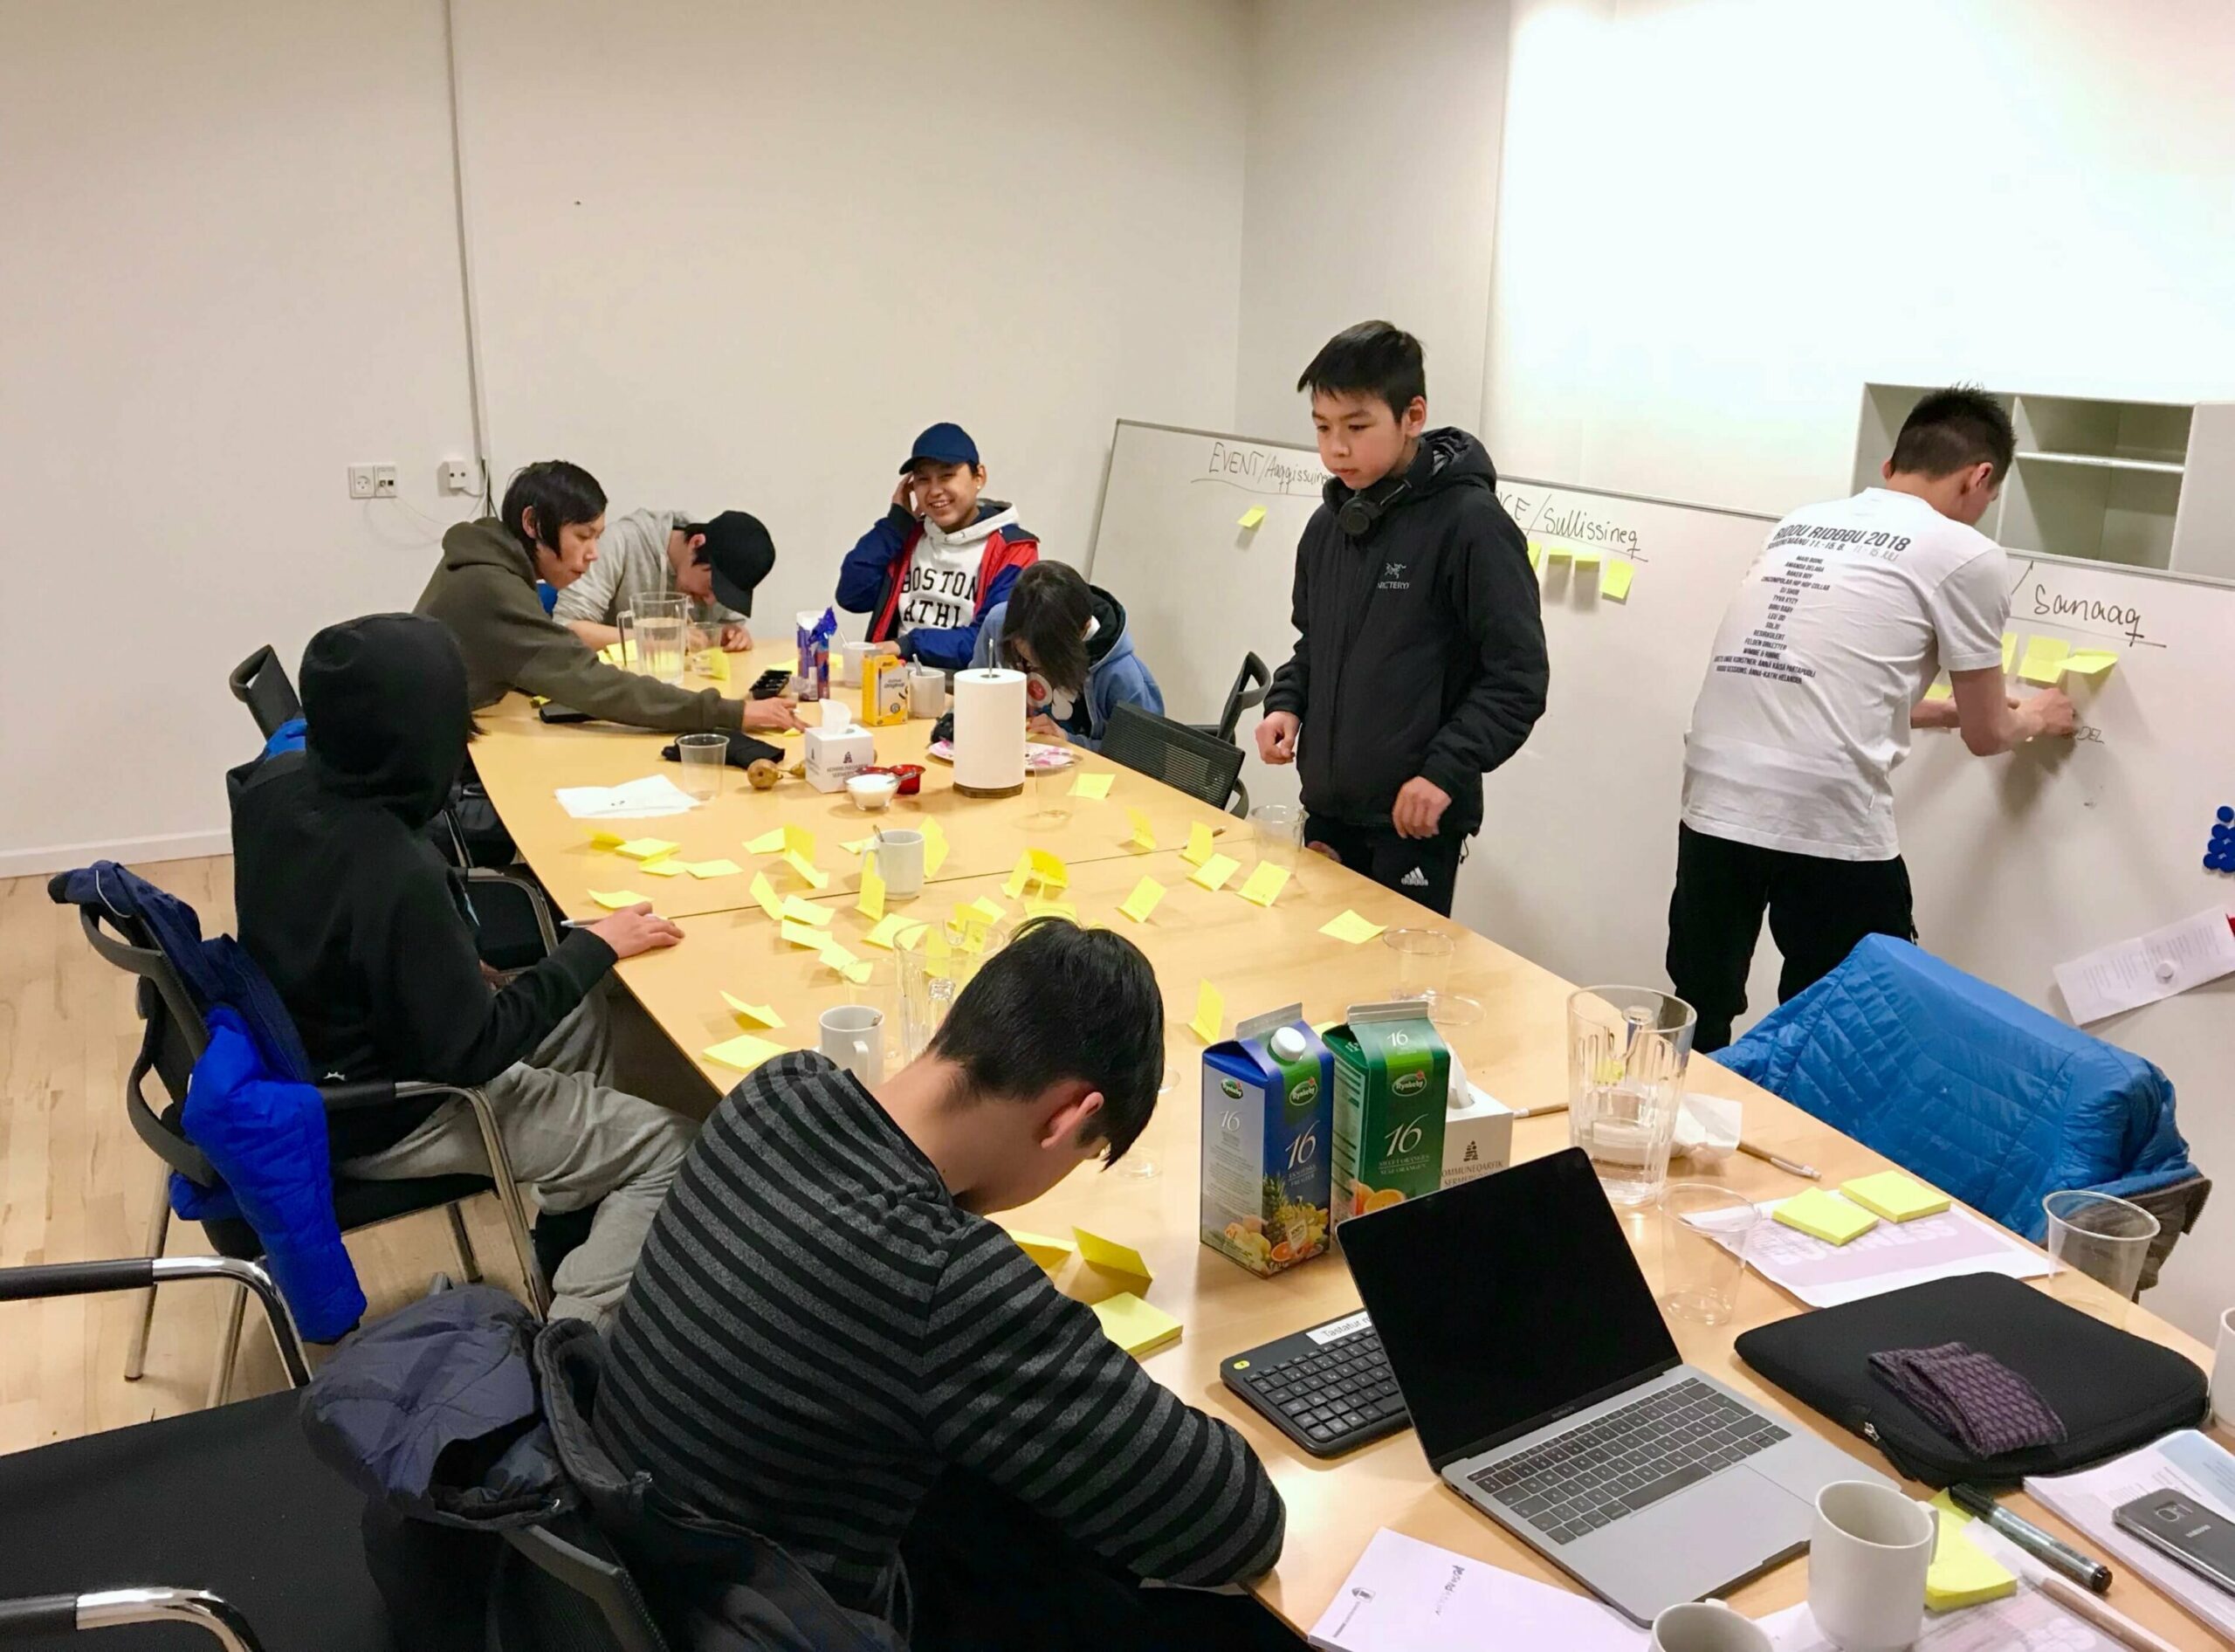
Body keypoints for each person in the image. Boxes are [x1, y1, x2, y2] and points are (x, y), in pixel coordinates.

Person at [595, 919, 1290, 1650]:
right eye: (1087, 1156)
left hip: (656, 1560)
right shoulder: (940, 1278)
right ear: (1069, 1118)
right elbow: (1237, 1522)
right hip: (784, 1621)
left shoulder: (776, 1090)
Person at [230, 613, 696, 1326]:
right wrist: (593, 946)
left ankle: (568, 1223)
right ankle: (577, 1333)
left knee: (585, 1012)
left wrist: (470, 965)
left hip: (322, 1046)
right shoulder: (396, 868)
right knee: (675, 1145)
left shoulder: (274, 786)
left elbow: (343, 933)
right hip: (395, 1106)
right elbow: (468, 1052)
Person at [1668, 387, 2078, 1051]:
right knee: (1845, 1019)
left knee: (1701, 1003)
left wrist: (1944, 712)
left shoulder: (1799, 523)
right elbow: (1989, 735)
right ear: (1979, 478)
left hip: (1714, 795)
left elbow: (1826, 684)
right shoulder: (1967, 553)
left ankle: (1682, 1111)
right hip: (1826, 810)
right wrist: (2034, 713)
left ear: (1891, 466)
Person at [1256, 320, 1548, 917]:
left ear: (1413, 416)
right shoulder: (1328, 527)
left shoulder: (1472, 525)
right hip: (1329, 812)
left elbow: (1517, 678)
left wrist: (1444, 773)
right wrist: (1287, 702)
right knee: (1314, 961)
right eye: (1322, 428)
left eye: (1357, 427)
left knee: (1389, 977)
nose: (1336, 448)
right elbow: (1315, 644)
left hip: (1413, 825)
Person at [417, 460, 801, 734]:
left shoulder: (488, 566)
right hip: (435, 756)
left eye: (597, 538)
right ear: (532, 524)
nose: (594, 554)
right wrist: (732, 714)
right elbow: (595, 685)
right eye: (583, 537)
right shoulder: (493, 588)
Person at [836, 422, 1039, 672]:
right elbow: (852, 596)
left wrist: (907, 644)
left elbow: (991, 639)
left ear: (979, 477)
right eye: (923, 479)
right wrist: (894, 525)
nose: (934, 491)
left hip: (964, 683)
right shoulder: (908, 536)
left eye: (947, 476)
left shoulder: (1014, 549)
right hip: (894, 676)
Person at [971, 560, 1163, 750]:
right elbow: (974, 694)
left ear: (1084, 628)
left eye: (1047, 652)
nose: (1032, 658)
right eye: (1022, 643)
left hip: (1081, 766)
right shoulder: (998, 624)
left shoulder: (1123, 675)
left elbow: (1144, 754)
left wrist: (1068, 741)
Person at [552, 506, 774, 654]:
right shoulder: (621, 542)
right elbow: (567, 629)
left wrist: (731, 635)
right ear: (696, 543)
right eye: (711, 587)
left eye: (725, 596)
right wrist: (660, 641)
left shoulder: (726, 567)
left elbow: (726, 625)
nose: (710, 601)